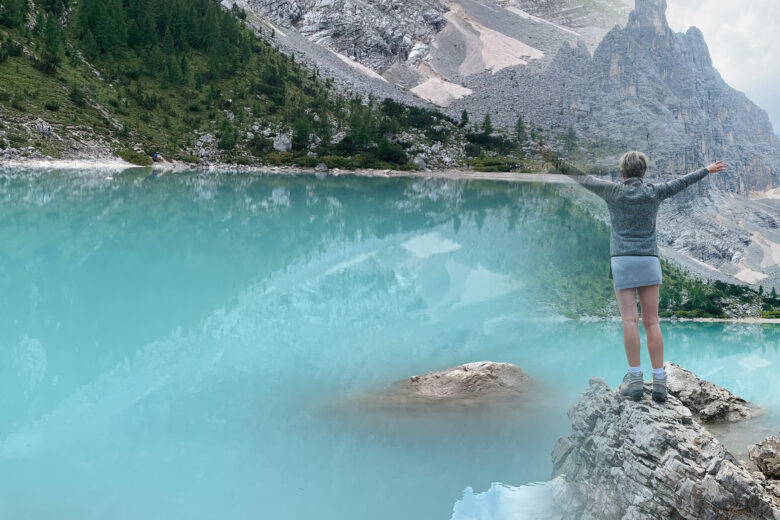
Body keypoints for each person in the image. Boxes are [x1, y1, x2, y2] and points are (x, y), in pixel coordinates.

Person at [548, 150, 728, 402]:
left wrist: (553, 158)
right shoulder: (653, 192)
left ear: (622, 174)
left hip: (622, 261)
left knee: (629, 321)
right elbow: (682, 182)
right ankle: (659, 383)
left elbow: (581, 177)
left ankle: (634, 380)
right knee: (652, 322)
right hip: (648, 261)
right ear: (644, 173)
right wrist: (706, 170)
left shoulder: (613, 191)